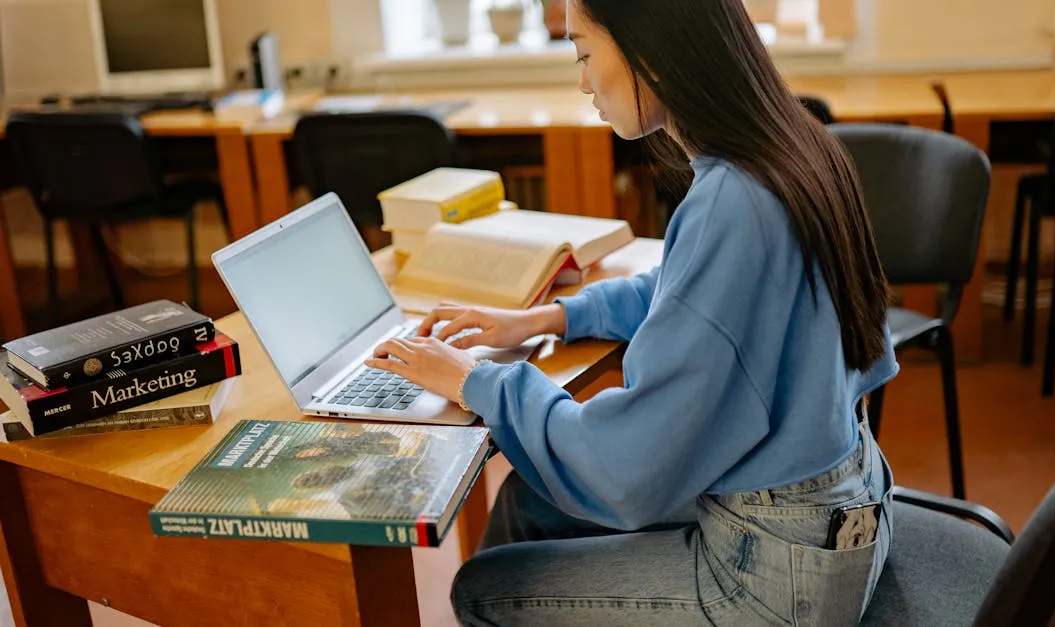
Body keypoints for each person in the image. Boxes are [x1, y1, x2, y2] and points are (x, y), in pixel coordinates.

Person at [364, 0, 898, 623]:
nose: (583, 80)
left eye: (584, 52)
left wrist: (475, 380)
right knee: (526, 504)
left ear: (650, 55)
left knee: (480, 591)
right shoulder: (792, 146)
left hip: (781, 572)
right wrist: (552, 317)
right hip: (844, 504)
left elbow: (626, 465)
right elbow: (689, 290)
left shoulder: (731, 203)